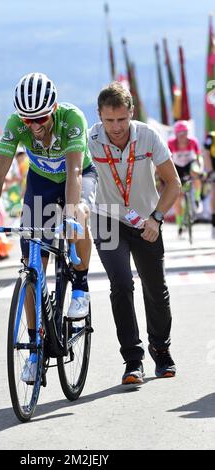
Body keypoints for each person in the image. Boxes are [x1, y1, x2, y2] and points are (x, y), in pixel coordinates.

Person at [0, 72, 98, 382]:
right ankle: (34, 347)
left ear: (53, 109)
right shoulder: (16, 124)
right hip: (41, 182)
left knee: (79, 215)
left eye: (41, 117)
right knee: (32, 265)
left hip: (77, 175)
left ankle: (80, 285)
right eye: (27, 120)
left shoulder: (72, 119)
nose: (34, 125)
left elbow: (73, 172)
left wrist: (69, 215)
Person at [88, 81, 181, 385]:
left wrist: (155, 218)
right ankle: (132, 359)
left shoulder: (148, 136)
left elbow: (173, 183)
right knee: (122, 284)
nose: (116, 127)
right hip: (106, 219)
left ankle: (161, 350)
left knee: (155, 287)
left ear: (131, 113)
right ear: (99, 116)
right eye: (108, 120)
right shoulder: (89, 139)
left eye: (121, 119)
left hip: (144, 221)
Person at [168, 120, 204, 236]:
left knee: (195, 171)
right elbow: (167, 161)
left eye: (185, 133)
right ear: (176, 134)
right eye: (180, 133)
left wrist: (201, 170)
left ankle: (197, 198)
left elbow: (199, 158)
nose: (183, 136)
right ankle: (180, 224)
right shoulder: (171, 143)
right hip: (177, 167)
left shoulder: (193, 141)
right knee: (177, 197)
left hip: (190, 165)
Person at [203, 130, 215, 238]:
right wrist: (210, 171)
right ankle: (214, 223)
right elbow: (206, 154)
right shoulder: (211, 136)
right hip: (214, 169)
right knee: (214, 195)